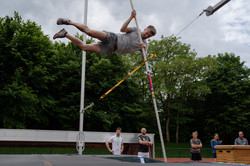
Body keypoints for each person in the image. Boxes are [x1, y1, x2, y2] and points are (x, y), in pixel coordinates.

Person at [53, 10, 156, 58]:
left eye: (149, 36)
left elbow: (144, 60)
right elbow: (122, 29)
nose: (147, 36)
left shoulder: (144, 45)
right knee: (89, 32)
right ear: (145, 29)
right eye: (147, 33)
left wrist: (143, 50)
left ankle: (65, 34)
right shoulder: (135, 30)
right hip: (113, 38)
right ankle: (69, 22)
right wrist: (130, 17)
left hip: (111, 49)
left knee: (84, 47)